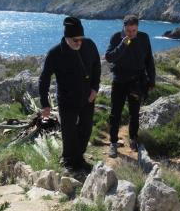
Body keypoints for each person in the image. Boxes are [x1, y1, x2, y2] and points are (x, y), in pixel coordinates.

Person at [39, 16, 101, 179]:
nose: (79, 43)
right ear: (66, 38)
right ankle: (68, 161)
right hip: (67, 99)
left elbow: (96, 67)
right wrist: (45, 104)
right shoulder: (54, 53)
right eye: (75, 40)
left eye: (81, 39)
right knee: (69, 131)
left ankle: (78, 158)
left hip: (87, 97)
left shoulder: (89, 45)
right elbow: (44, 78)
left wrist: (95, 88)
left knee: (86, 129)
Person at [105, 14, 155, 157]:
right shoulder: (116, 37)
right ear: (124, 28)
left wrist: (152, 80)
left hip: (137, 81)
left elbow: (149, 60)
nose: (131, 34)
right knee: (115, 113)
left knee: (134, 113)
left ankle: (133, 139)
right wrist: (123, 43)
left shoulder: (144, 37)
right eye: (128, 31)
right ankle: (113, 143)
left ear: (137, 28)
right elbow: (109, 57)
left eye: (134, 31)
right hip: (119, 81)